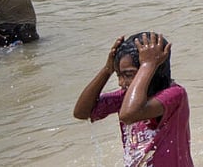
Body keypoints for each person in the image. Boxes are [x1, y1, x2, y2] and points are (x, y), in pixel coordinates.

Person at [73, 32, 194, 167]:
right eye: (118, 75)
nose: (121, 82)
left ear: (155, 68)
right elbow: (82, 112)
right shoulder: (126, 98)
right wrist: (107, 69)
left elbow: (129, 115)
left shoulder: (175, 95)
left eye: (128, 74)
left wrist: (147, 64)